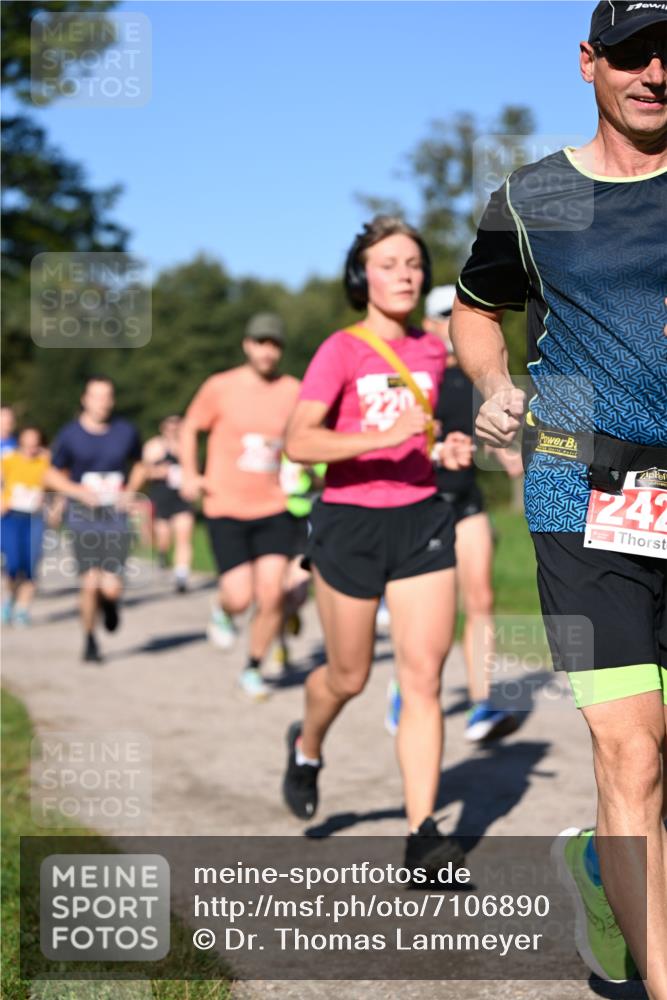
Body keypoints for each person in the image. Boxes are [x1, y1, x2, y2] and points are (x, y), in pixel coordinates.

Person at [450, 3, 666, 991]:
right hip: (584, 480)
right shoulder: (534, 196)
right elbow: (476, 306)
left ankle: (596, 869)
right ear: (589, 63)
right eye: (629, 53)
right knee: (632, 747)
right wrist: (496, 390)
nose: (652, 71)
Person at [281, 216, 473, 876]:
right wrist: (375, 438)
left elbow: (418, 434)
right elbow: (299, 442)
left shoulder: (433, 351)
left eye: (414, 264)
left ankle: (422, 832)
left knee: (422, 679)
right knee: (349, 677)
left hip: (420, 518)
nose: (404, 274)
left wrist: (439, 447)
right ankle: (306, 746)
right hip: (349, 523)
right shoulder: (341, 349)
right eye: (388, 263)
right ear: (362, 275)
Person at [180, 313, 301, 701]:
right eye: (260, 343)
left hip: (273, 504)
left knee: (272, 594)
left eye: (274, 344)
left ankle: (253, 667)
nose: (267, 351)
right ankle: (223, 609)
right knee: (240, 595)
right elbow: (189, 427)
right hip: (225, 504)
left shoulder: (293, 390)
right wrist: (189, 472)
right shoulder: (220, 386)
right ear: (247, 345)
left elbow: (309, 435)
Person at [45, 376, 145, 664]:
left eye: (107, 396)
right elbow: (50, 474)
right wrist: (77, 491)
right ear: (85, 399)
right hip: (82, 515)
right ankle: (90, 639)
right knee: (89, 581)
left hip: (115, 515)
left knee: (111, 584)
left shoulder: (125, 431)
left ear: (112, 400)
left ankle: (111, 604)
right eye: (96, 396)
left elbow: (140, 464)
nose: (102, 402)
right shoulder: (70, 434)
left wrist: (131, 491)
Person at [1, 426, 50, 625]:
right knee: (13, 564)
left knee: (30, 564)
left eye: (35, 442)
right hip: (12, 517)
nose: (31, 446)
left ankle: (22, 609)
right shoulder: (9, 459)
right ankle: (10, 598)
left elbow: (56, 484)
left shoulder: (46, 461)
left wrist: (50, 504)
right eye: (27, 442)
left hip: (34, 517)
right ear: (20, 442)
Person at [143, 415, 194, 593]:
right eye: (170, 425)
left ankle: (181, 576)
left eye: (177, 424)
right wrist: (159, 471)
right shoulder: (154, 446)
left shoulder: (187, 445)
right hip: (161, 495)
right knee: (164, 537)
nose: (173, 428)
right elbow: (143, 472)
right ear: (163, 427)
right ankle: (162, 554)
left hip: (182, 496)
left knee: (184, 536)